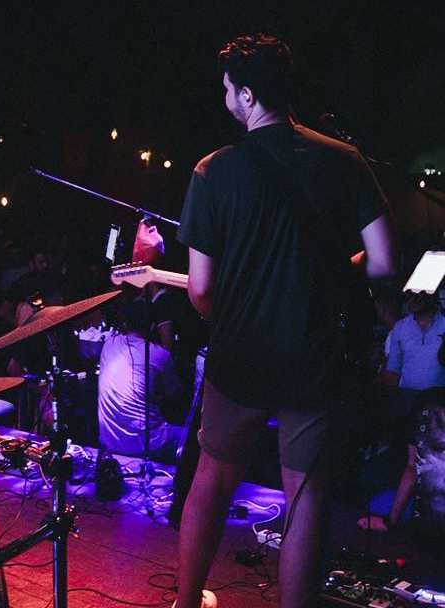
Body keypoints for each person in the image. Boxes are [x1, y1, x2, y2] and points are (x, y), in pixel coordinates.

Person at [174, 34, 395, 608]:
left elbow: (201, 289)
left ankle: (187, 600)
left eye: (228, 89)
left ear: (248, 95)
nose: (225, 98)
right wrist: (338, 270)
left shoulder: (213, 171)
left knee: (212, 480)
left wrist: (233, 318)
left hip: (240, 354)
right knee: (304, 496)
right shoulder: (344, 160)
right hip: (313, 356)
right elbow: (384, 262)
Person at [358, 292, 445, 532]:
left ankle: (407, 518)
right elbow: (392, 373)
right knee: (409, 464)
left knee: (429, 468)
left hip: (439, 410)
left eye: (421, 292)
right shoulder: (401, 328)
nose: (414, 297)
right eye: (410, 293)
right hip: (407, 403)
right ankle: (402, 515)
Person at [97, 300, 185, 460]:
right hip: (147, 444)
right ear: (152, 327)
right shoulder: (159, 354)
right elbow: (175, 395)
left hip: (109, 441)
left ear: (125, 322)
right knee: (189, 437)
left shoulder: (109, 344)